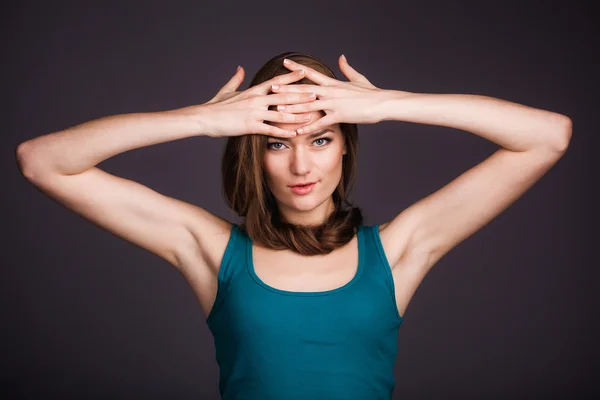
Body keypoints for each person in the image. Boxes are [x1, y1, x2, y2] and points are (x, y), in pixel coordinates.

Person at [16, 51, 572, 399]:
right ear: (253, 156)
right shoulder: (213, 251)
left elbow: (547, 136)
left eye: (321, 140)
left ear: (345, 149)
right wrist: (201, 120)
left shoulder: (399, 250)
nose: (302, 166)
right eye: (277, 144)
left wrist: (389, 104)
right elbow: (41, 161)